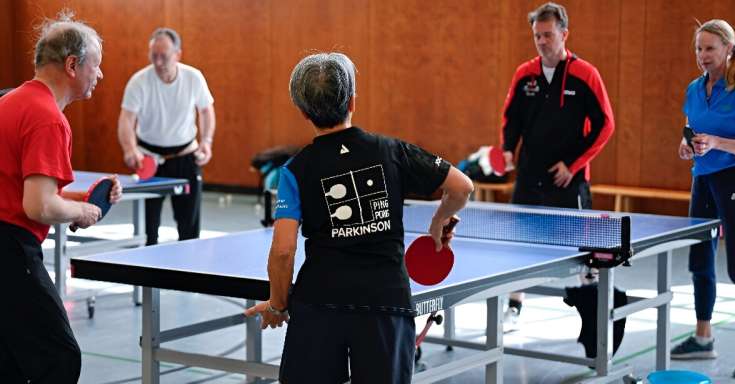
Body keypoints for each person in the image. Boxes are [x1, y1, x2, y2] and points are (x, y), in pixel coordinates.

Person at [244, 52, 473, 384]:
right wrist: (439, 220)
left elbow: (283, 251)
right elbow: (462, 187)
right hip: (386, 303)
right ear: (352, 101)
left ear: (303, 111)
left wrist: (278, 305)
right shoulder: (392, 151)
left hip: (319, 304)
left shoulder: (295, 170)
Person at [0, 11, 122, 383]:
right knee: (60, 358)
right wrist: (81, 211)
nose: (99, 75)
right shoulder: (48, 118)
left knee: (10, 361)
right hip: (10, 250)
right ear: (72, 65)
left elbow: (25, 185)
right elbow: (38, 206)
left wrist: (80, 195)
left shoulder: (10, 101)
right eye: (96, 66)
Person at [671, 19, 735, 378]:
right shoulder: (693, 89)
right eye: (699, 48)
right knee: (699, 259)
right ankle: (703, 338)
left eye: (710, 48)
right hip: (703, 178)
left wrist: (717, 143)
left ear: (729, 49)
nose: (702, 55)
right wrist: (688, 147)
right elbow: (692, 132)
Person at [499, 1, 615, 327]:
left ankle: (592, 314)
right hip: (530, 175)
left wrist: (573, 165)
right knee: (519, 246)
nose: (542, 41)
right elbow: (512, 118)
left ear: (564, 34)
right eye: (537, 35)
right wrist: (508, 150)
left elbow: (605, 124)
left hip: (569, 178)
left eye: (548, 35)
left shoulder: (585, 74)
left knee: (582, 250)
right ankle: (514, 307)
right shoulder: (525, 74)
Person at [117, 27, 215, 245]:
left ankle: (188, 274)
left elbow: (206, 111)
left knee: (189, 228)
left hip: (185, 156)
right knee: (149, 230)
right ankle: (151, 275)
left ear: (178, 54)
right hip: (149, 159)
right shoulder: (139, 81)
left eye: (164, 56)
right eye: (154, 56)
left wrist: (207, 142)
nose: (159, 62)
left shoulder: (193, 77)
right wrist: (129, 149)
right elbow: (126, 119)